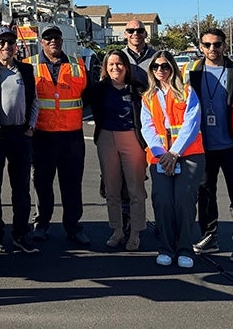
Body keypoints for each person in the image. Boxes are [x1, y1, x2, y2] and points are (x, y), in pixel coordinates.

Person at [184, 29, 233, 264]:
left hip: (232, 144)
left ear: (225, 46)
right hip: (203, 144)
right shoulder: (190, 70)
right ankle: (209, 236)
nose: (212, 49)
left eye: (217, 44)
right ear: (200, 46)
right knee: (205, 193)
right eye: (207, 45)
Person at [25, 24, 89, 247]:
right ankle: (41, 224)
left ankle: (73, 226)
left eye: (57, 37)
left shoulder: (77, 65)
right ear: (41, 42)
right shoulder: (29, 65)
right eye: (48, 37)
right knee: (42, 184)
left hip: (72, 136)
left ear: (62, 41)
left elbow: (88, 96)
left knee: (72, 184)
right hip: (42, 136)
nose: (53, 40)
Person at [140, 50, 204, 268]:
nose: (160, 70)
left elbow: (191, 124)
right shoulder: (147, 97)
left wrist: (174, 153)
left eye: (165, 66)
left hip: (188, 155)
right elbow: (147, 128)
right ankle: (166, 248)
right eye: (156, 67)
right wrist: (162, 155)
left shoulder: (187, 92)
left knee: (184, 202)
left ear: (173, 68)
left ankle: (185, 249)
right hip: (160, 158)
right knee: (163, 202)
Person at [0, 27, 39, 254]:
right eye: (1, 43)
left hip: (20, 135)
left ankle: (21, 234)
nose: (6, 47)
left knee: (21, 187)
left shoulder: (25, 70)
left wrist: (31, 128)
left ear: (16, 47)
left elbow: (34, 101)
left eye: (10, 43)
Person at [85, 50, 147, 251]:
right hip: (106, 138)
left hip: (132, 137)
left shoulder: (138, 89)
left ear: (126, 66)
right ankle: (117, 230)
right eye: (110, 64)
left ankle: (136, 232)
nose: (115, 68)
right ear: (105, 67)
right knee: (111, 189)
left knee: (135, 189)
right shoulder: (99, 89)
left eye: (119, 64)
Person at [122, 19, 157, 87]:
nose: (135, 33)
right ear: (125, 34)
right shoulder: (119, 57)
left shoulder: (156, 57)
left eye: (140, 31)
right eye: (130, 31)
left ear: (146, 34)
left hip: (151, 96)